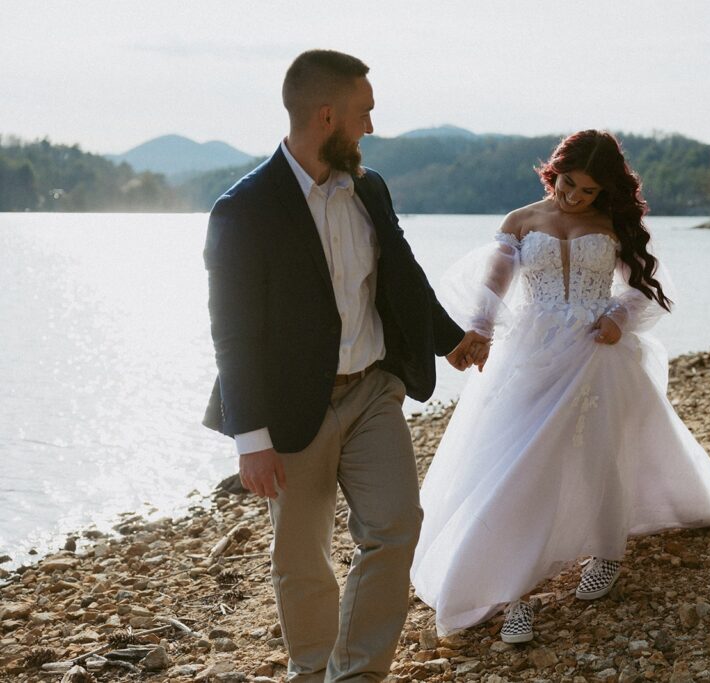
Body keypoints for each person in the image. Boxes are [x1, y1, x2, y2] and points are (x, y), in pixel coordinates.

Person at [202, 49, 486, 682]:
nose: (371, 128)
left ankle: (356, 675)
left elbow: (402, 274)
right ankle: (310, 674)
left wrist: (450, 340)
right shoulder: (244, 210)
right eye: (364, 114)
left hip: (372, 392)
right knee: (302, 558)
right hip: (288, 410)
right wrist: (251, 440)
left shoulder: (370, 187)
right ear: (326, 116)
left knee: (395, 528)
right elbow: (233, 333)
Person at [411, 130, 710, 643]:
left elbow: (647, 286)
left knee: (599, 455)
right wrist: (478, 330)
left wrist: (618, 316)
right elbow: (495, 280)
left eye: (587, 191)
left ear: (603, 191)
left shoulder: (612, 223)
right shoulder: (521, 221)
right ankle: (514, 591)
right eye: (568, 184)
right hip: (531, 354)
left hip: (598, 352)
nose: (573, 197)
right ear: (554, 171)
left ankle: (607, 552)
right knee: (520, 464)